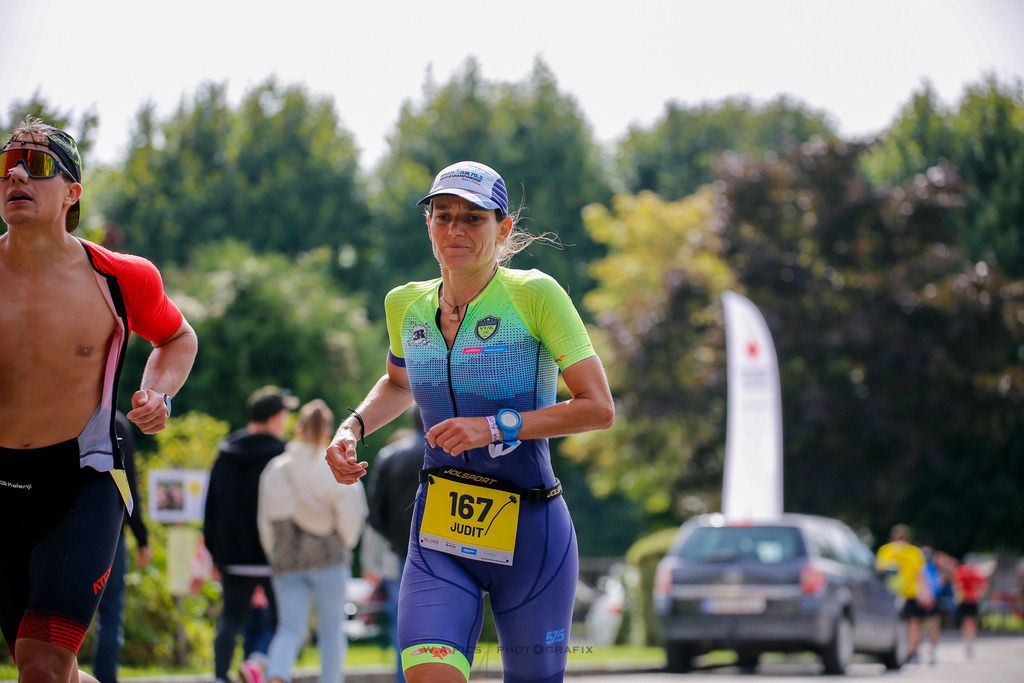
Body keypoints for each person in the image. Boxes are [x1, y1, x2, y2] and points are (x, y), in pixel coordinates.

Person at [325, 160, 615, 683]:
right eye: (443, 215)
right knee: (428, 674)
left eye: (473, 218)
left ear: (503, 229)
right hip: (439, 528)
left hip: (532, 530)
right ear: (428, 223)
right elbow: (397, 383)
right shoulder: (405, 305)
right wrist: (352, 428)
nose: (455, 229)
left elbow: (597, 407)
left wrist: (497, 425)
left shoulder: (535, 294)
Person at [0, 117, 198, 683]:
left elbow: (178, 337)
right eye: (4, 163)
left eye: (35, 165)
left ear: (72, 193)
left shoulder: (120, 279)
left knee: (42, 662)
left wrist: (158, 391)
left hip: (82, 484)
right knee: (37, 665)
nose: (14, 173)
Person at [257, 399, 367, 683]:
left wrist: (274, 552)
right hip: (328, 556)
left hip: (286, 556)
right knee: (332, 631)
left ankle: (277, 673)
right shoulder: (334, 467)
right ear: (328, 429)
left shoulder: (277, 468)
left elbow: (265, 519)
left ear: (299, 428)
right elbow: (352, 515)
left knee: (290, 627)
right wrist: (346, 541)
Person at [204, 386, 298, 683]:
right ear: (274, 418)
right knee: (283, 622)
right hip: (273, 554)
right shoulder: (284, 456)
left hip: (233, 554)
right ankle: (263, 666)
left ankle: (221, 676)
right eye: (284, 415)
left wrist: (215, 553)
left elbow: (212, 507)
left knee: (231, 619)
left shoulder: (226, 453)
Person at [364, 405, 427, 683]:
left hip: (401, 556)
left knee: (404, 629)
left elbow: (375, 515)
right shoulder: (454, 453)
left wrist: (396, 540)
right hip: (449, 554)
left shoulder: (389, 456)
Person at [92, 412, 153, 683]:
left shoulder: (59, 414)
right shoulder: (115, 422)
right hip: (109, 530)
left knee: (56, 611)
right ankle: (105, 678)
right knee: (111, 610)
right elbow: (127, 484)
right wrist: (142, 537)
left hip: (60, 527)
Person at [876, 524, 930, 664]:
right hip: (907, 593)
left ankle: (907, 651)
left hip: (895, 593)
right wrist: (926, 592)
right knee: (913, 624)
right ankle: (912, 652)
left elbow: (878, 570)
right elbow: (921, 575)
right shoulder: (914, 552)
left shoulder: (886, 550)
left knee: (905, 624)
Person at [953, 553, 989, 659]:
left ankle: (970, 640)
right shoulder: (962, 572)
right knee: (967, 621)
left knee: (972, 622)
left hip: (973, 601)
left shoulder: (977, 573)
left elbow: (983, 585)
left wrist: (979, 593)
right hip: (965, 601)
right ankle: (967, 642)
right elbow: (957, 585)